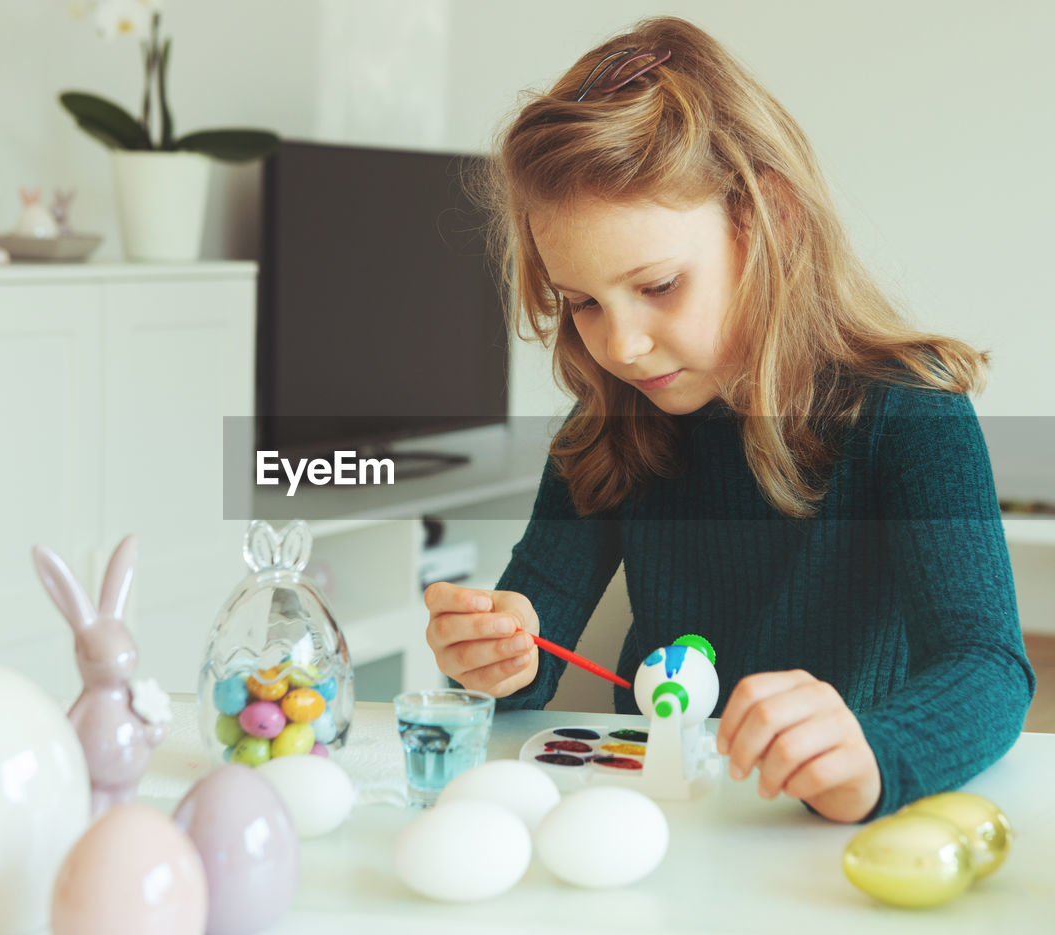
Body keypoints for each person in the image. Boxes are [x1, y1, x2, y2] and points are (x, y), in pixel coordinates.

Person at [423, 16, 1034, 823]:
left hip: (822, 835)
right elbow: (532, 646)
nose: (624, 345)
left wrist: (877, 752)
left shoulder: (912, 412)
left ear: (768, 218)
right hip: (658, 816)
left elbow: (987, 663)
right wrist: (494, 656)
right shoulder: (610, 420)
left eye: (659, 285)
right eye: (582, 304)